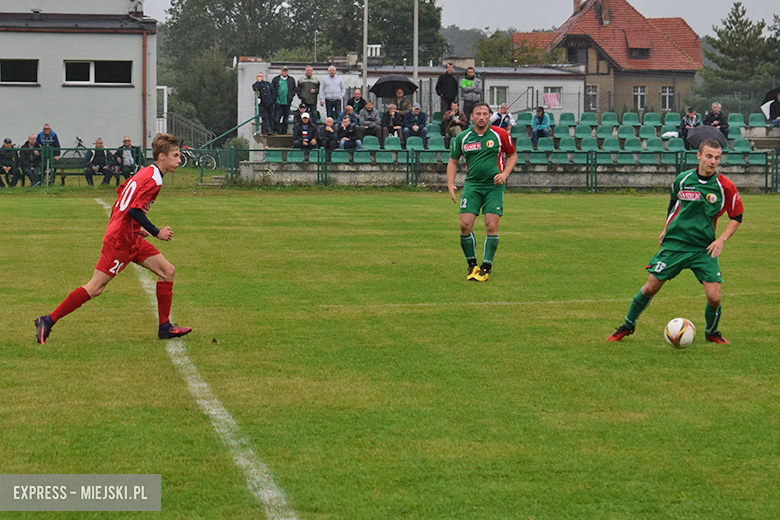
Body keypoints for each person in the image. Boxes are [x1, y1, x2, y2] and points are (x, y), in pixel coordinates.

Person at [34, 133, 192, 345]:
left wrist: (136, 228)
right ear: (162, 156)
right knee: (95, 288)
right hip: (121, 241)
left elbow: (122, 199)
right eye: (175, 155)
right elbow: (134, 209)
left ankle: (165, 327)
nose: (179, 160)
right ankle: (47, 320)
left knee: (167, 271)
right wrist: (156, 232)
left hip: (130, 236)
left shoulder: (146, 172)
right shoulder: (153, 179)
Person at [607, 138, 743, 345]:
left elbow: (737, 216)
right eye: (708, 156)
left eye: (717, 157)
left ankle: (712, 333)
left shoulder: (725, 187)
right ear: (698, 156)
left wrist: (721, 240)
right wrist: (665, 229)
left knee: (714, 297)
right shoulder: (683, 179)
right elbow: (673, 205)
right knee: (650, 288)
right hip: (675, 244)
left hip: (703, 248)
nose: (713, 161)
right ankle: (627, 326)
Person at [447, 102, 518, 282]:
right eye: (478, 113)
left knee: (491, 224)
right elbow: (453, 161)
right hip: (472, 185)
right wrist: (450, 184)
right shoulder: (463, 137)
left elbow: (512, 156)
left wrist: (504, 174)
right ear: (472, 116)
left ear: (489, 116)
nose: (481, 117)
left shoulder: (500, 134)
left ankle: (486, 267)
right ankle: (472, 265)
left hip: (493, 186)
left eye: (485, 114)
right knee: (464, 225)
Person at [271, 67, 297, 134]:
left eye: (286, 71)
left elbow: (294, 89)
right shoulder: (276, 79)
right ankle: (276, 130)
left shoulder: (291, 80)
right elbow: (272, 89)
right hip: (278, 102)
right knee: (277, 118)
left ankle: (284, 131)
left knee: (286, 118)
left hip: (287, 102)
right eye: (283, 71)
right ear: (281, 71)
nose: (285, 72)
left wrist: (291, 96)